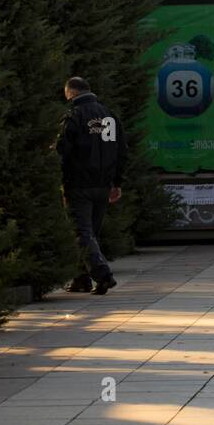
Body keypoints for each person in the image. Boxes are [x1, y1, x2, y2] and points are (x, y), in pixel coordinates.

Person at [55, 77, 127, 296]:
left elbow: (62, 150)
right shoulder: (110, 116)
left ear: (71, 93)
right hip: (103, 185)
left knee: (81, 231)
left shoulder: (74, 116)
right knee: (90, 232)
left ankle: (103, 275)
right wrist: (117, 182)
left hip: (79, 184)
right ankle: (82, 279)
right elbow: (121, 151)